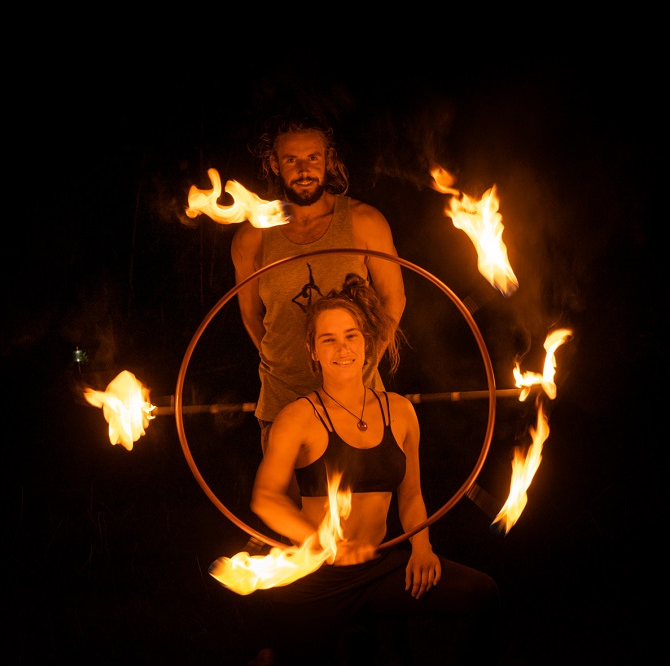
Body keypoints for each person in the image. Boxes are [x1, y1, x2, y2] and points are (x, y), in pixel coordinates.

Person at [249, 274, 501, 665]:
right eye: (328, 339)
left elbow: (411, 494)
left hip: (380, 567)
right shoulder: (297, 418)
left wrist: (421, 547)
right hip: (317, 575)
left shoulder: (399, 411)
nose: (342, 348)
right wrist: (324, 544)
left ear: (367, 342)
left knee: (480, 592)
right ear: (312, 350)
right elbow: (265, 499)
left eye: (351, 336)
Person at [230, 115, 407, 506]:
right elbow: (249, 314)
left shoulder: (364, 222)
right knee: (293, 516)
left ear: (328, 159)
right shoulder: (252, 238)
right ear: (274, 164)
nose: (304, 168)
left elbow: (394, 300)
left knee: (362, 518)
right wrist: (283, 364)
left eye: (312, 157)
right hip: (283, 397)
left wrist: (364, 364)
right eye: (291, 159)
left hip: (357, 395)